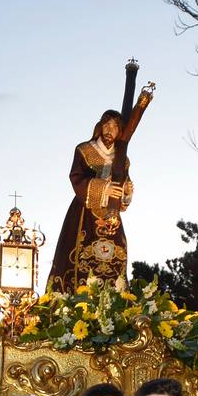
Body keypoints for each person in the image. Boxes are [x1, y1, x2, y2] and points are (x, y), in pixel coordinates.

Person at [46, 110, 133, 292]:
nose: (110, 130)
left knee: (114, 258)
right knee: (78, 255)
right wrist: (104, 188)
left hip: (111, 217)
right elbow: (76, 178)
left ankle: (113, 300)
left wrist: (126, 191)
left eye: (115, 127)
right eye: (107, 125)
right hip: (84, 212)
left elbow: (123, 196)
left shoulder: (122, 160)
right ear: (100, 127)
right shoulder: (84, 150)